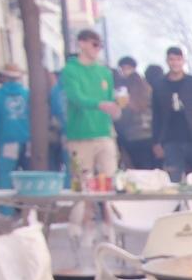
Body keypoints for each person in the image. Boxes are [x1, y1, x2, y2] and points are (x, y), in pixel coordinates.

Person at [58, 28, 119, 192]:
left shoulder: (104, 72)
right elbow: (75, 97)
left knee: (110, 179)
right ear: (82, 44)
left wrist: (114, 110)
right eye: (94, 44)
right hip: (80, 135)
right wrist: (99, 104)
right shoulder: (70, 70)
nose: (97, 49)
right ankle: (84, 216)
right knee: (83, 182)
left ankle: (109, 215)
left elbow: (110, 99)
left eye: (100, 46)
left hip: (104, 132)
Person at [152, 47, 192, 181]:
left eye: (178, 59)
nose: (175, 63)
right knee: (174, 179)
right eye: (172, 59)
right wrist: (156, 142)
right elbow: (156, 116)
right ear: (167, 61)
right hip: (170, 140)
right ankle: (178, 202)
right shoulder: (159, 85)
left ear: (183, 61)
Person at [0, 63, 31, 190]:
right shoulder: (27, 94)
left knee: (6, 177)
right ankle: (29, 207)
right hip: (27, 140)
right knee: (28, 177)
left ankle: (5, 208)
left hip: (7, 141)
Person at [113, 55, 155, 171]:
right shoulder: (147, 87)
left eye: (127, 68)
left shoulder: (122, 90)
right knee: (148, 169)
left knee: (135, 170)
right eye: (123, 68)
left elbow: (121, 115)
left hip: (131, 135)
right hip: (148, 135)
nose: (125, 71)